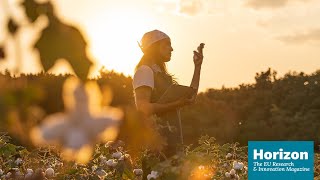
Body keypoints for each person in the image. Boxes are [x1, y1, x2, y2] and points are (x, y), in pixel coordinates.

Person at [133, 29, 204, 157]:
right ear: (154, 47)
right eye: (167, 44)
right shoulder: (145, 71)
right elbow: (143, 108)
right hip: (156, 145)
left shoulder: (162, 75)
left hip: (172, 141)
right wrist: (176, 103)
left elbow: (191, 97)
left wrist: (197, 67)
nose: (171, 49)